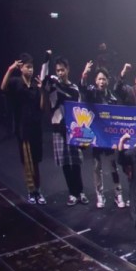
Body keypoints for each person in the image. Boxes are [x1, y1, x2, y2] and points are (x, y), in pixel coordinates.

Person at [2, 54, 46, 204]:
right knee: (27, 162)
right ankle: (31, 191)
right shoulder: (16, 82)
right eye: (27, 67)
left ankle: (38, 190)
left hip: (35, 127)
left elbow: (41, 107)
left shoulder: (35, 84)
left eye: (32, 67)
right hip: (23, 128)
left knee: (36, 161)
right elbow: (3, 87)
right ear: (21, 68)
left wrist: (42, 90)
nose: (30, 70)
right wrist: (10, 69)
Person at [41, 55, 84, 205]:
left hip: (73, 129)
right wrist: (46, 60)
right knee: (66, 163)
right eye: (58, 70)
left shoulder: (74, 88)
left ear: (68, 70)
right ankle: (72, 193)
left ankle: (80, 192)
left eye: (62, 70)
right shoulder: (53, 85)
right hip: (58, 128)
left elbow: (79, 109)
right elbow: (43, 79)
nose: (60, 73)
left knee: (76, 162)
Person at [81, 63, 125, 209]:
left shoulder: (112, 98)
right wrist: (84, 75)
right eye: (99, 79)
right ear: (95, 80)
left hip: (109, 137)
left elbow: (116, 118)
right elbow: (83, 89)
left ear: (107, 81)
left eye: (104, 79)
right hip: (96, 136)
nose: (101, 81)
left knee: (113, 166)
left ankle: (118, 194)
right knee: (96, 167)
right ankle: (99, 195)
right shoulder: (92, 93)